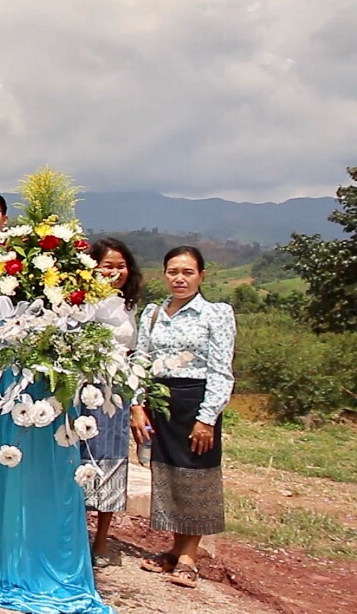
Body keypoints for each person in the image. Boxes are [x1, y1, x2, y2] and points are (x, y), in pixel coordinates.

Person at [133, 246, 235, 589]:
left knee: (196, 475)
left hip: (196, 402)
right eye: (173, 271)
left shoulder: (216, 314)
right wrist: (136, 404)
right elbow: (140, 360)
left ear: (201, 276)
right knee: (168, 475)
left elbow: (221, 371)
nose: (179, 278)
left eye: (188, 272)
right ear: (163, 274)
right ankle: (176, 549)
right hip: (160, 402)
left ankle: (190, 557)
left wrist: (207, 417)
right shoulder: (152, 313)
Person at [82, 238, 142, 567]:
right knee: (78, 460)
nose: (115, 272)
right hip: (81, 387)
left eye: (121, 266)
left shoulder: (129, 305)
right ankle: (75, 534)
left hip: (116, 392)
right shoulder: (81, 302)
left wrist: (136, 402)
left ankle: (102, 539)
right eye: (108, 265)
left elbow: (134, 354)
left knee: (111, 460)